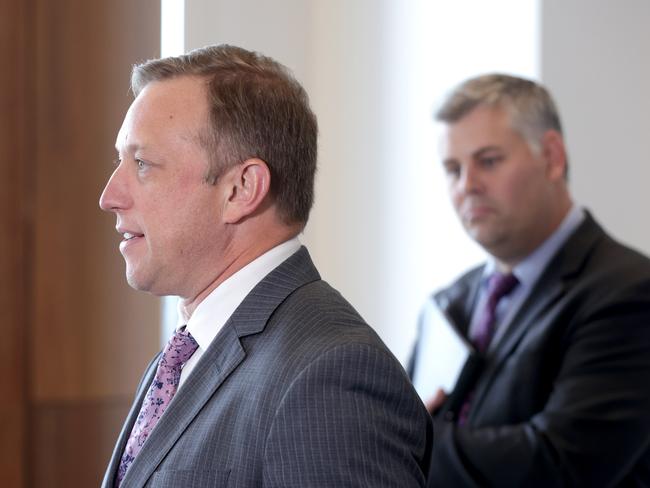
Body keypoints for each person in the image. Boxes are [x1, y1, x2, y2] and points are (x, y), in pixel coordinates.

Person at [99, 44, 432, 488]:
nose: (109, 196)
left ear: (241, 189)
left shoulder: (327, 376)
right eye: (119, 161)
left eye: (142, 164)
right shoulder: (189, 350)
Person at [409, 73, 650, 486]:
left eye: (488, 161)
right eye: (453, 169)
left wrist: (413, 440)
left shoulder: (630, 291)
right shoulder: (448, 302)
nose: (467, 185)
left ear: (552, 157)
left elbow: (560, 464)